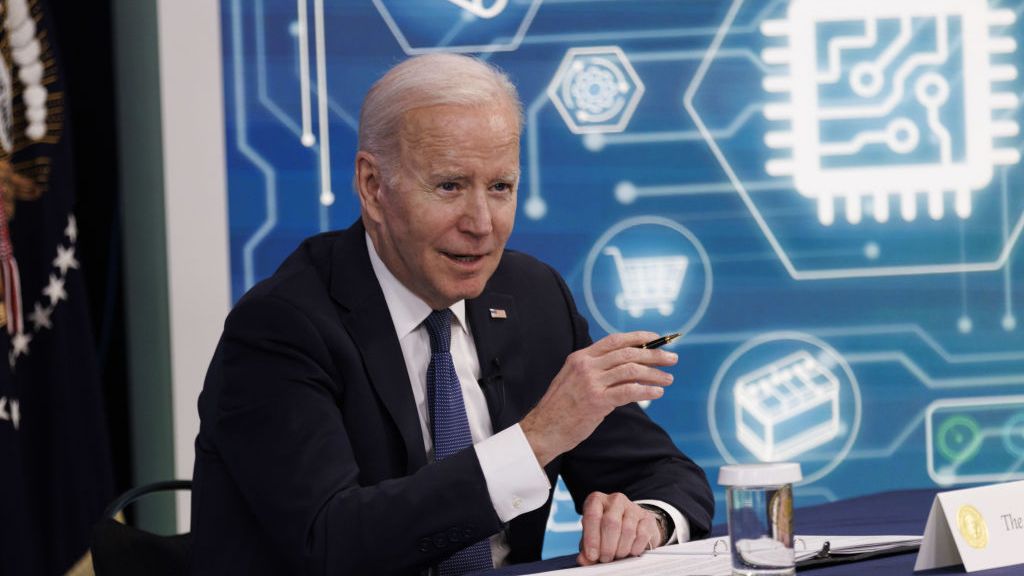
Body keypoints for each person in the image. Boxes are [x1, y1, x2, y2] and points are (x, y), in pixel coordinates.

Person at [191, 53, 713, 576]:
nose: (481, 224)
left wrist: (648, 519)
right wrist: (534, 441)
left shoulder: (533, 298)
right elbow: (331, 542)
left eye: (500, 187)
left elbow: (662, 475)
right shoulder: (281, 327)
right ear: (374, 187)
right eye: (449, 186)